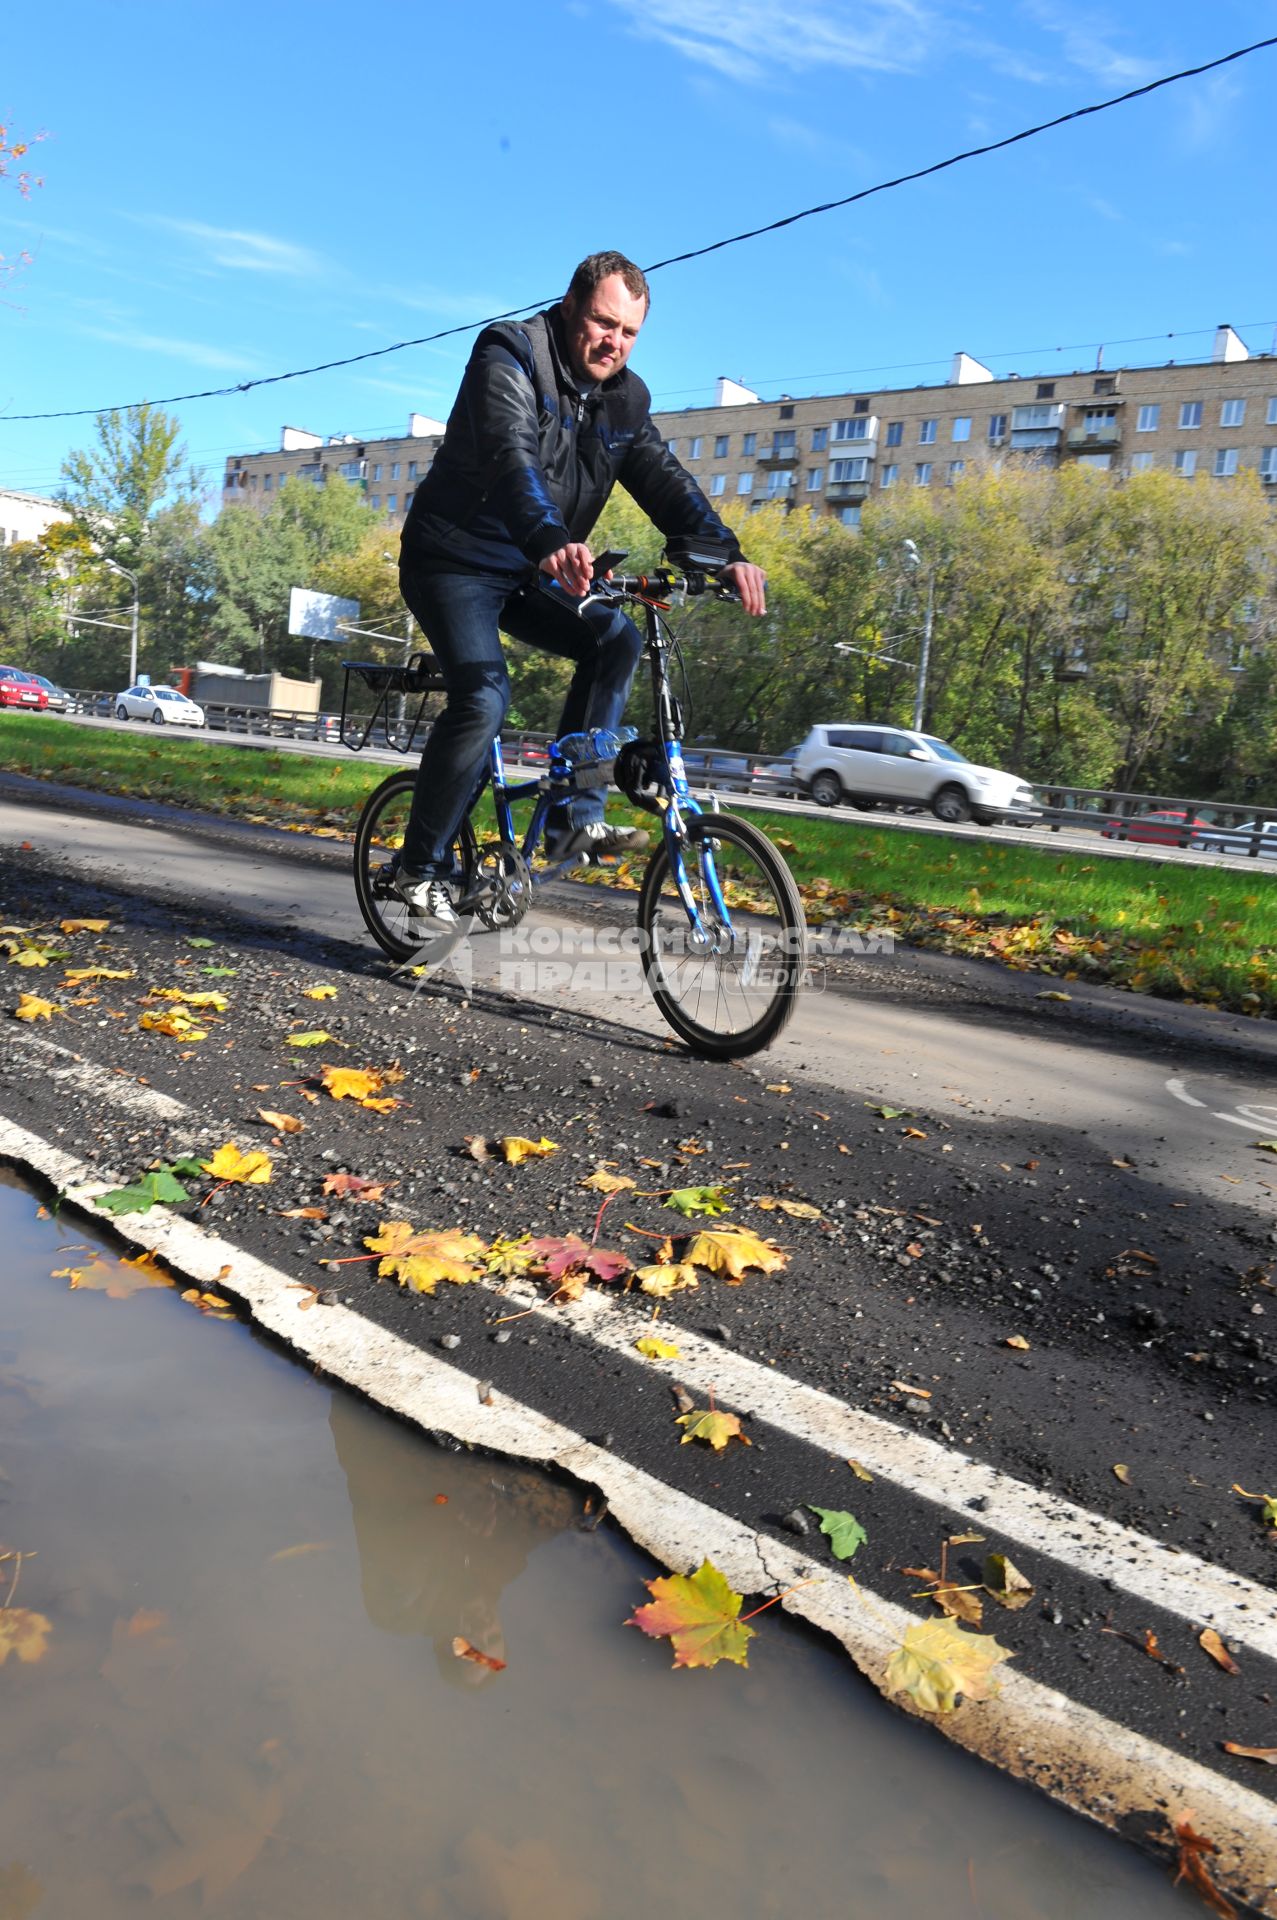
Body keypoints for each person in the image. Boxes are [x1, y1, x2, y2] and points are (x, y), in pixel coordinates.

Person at [395, 249, 768, 928]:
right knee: (484, 696)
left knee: (614, 639)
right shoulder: (507, 355)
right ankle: (417, 868)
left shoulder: (625, 399)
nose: (612, 343)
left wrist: (725, 556)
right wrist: (548, 541)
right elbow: (512, 461)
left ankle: (575, 817)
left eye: (628, 333)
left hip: (533, 566)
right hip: (450, 561)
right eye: (602, 324)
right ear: (570, 307)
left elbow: (664, 479)